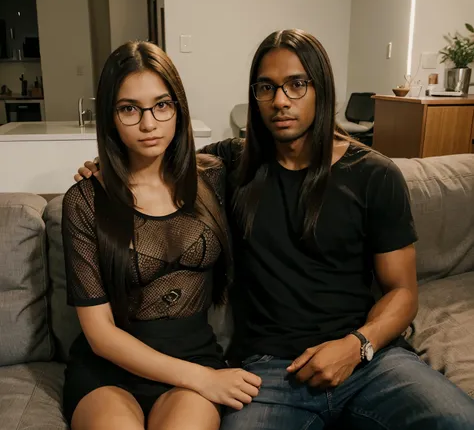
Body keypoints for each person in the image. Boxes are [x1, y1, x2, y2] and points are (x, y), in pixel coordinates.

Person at [75, 30, 474, 430]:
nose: (280, 100)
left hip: (368, 360)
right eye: (266, 87)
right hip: (270, 371)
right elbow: (159, 161)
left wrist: (358, 345)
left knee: (459, 420)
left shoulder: (375, 175)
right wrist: (105, 166)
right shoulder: (230, 166)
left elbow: (403, 292)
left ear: (322, 88)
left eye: (296, 84)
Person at [62, 41, 262, 430]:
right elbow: (100, 335)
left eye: (162, 105)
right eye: (129, 109)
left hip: (193, 357)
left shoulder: (214, 176)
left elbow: (285, 143)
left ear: (178, 109)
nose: (149, 123)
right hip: (108, 371)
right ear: (111, 117)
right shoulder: (85, 201)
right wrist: (206, 380)